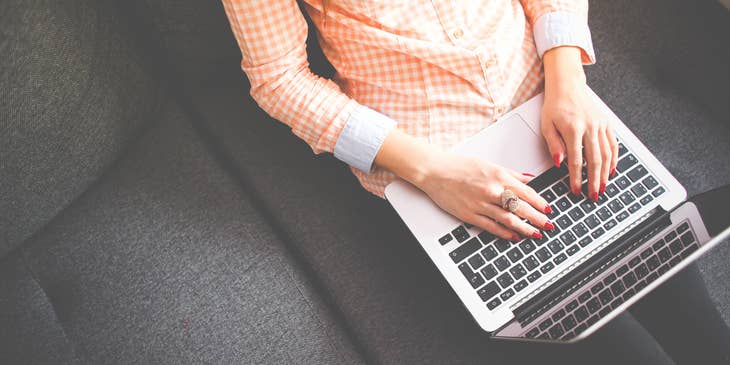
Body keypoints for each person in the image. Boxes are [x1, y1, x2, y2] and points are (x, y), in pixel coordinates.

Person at [221, 1, 730, 363]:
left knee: (692, 314)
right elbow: (279, 79)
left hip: (549, 106)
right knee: (606, 338)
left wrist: (568, 80)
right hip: (438, 165)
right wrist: (434, 172)